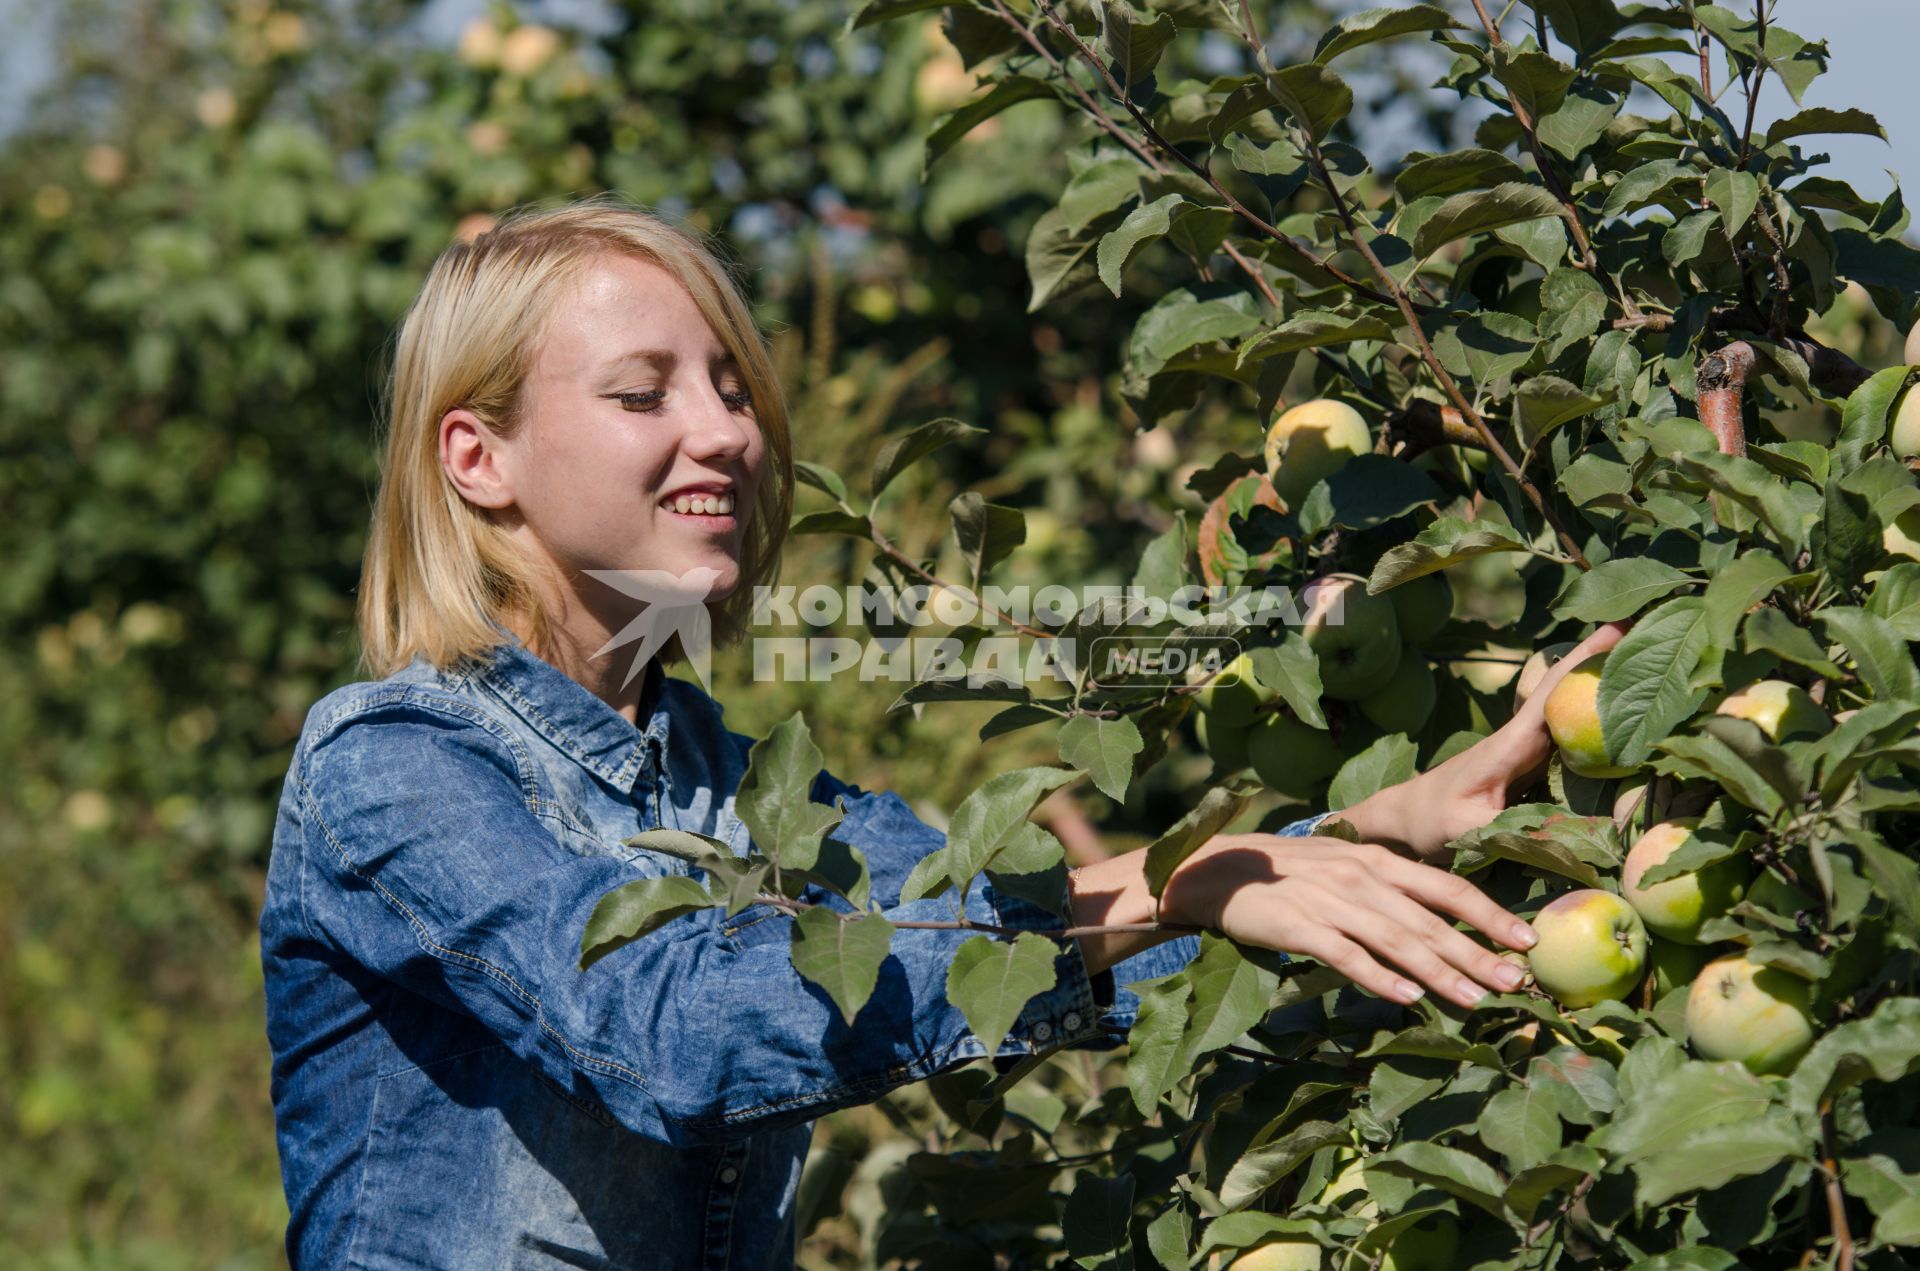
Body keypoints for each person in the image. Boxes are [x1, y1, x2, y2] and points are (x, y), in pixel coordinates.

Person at [259, 194, 1623, 1269]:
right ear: (475, 458)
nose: (726, 433)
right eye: (643, 392)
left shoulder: (739, 790)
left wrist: (1348, 842)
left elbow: (1022, 940)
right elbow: (662, 1033)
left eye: (732, 387)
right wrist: (1174, 882)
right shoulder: (391, 768)